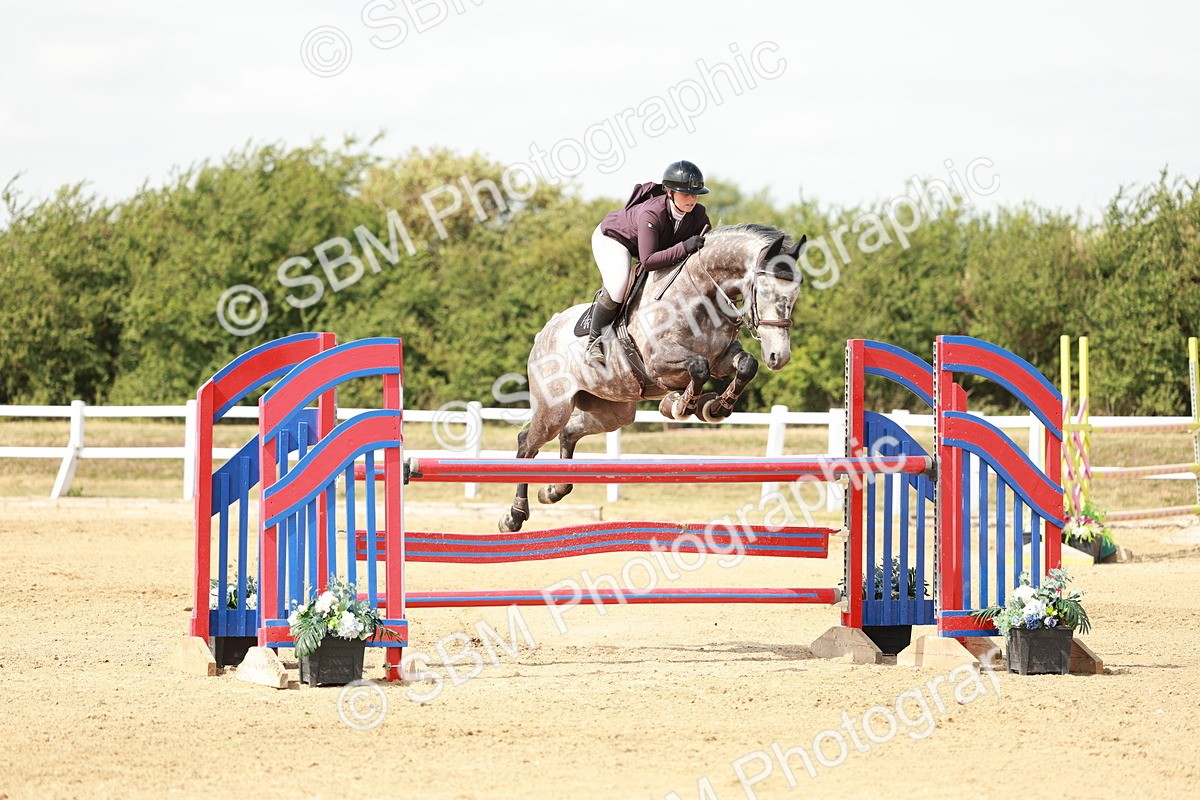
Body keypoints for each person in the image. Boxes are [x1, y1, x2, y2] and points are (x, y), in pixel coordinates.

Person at [585, 160, 712, 363]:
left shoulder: (698, 215)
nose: (692, 199)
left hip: (648, 246)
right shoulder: (652, 213)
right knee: (618, 285)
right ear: (670, 192)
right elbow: (649, 261)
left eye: (695, 194)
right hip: (614, 239)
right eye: (686, 193)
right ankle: (594, 342)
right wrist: (684, 247)